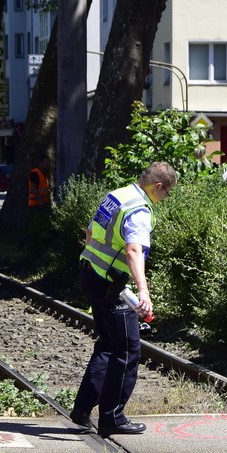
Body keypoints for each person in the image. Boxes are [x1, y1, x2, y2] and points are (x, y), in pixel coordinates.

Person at [70, 161, 178, 437]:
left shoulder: (118, 195)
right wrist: (143, 290)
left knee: (108, 344)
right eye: (166, 193)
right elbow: (133, 251)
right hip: (110, 284)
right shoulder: (139, 210)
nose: (165, 198)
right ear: (158, 187)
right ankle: (112, 417)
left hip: (91, 274)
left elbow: (89, 232)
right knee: (128, 349)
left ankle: (82, 409)